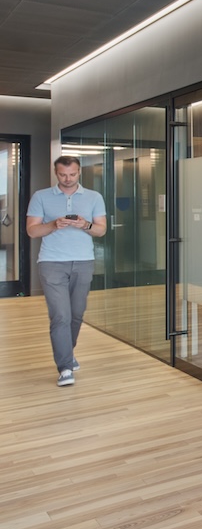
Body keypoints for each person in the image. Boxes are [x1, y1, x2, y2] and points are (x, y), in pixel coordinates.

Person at [26, 155, 107, 387]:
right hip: (52, 263)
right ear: (56, 173)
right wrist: (53, 225)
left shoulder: (94, 197)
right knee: (60, 315)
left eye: (72, 174)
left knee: (76, 314)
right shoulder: (41, 197)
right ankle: (64, 367)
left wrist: (85, 225)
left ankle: (67, 353)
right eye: (63, 174)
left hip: (84, 261)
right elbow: (32, 231)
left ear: (79, 172)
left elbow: (101, 230)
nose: (68, 179)